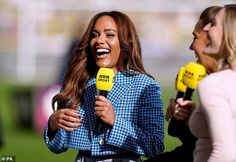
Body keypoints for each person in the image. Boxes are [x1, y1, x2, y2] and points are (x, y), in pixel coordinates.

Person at [43, 11, 164, 162]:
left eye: (109, 35)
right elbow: (58, 146)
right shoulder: (77, 81)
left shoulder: (145, 86)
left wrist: (115, 122)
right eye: (95, 35)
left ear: (125, 42)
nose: (99, 40)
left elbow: (155, 146)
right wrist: (53, 124)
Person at [144, 6, 222, 162]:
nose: (191, 46)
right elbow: (197, 148)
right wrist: (186, 120)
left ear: (213, 38)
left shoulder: (220, 85)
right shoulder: (212, 82)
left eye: (195, 37)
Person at [187, 4, 236, 162]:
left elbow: (225, 154)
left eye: (213, 24)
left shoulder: (213, 84)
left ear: (229, 33)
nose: (206, 29)